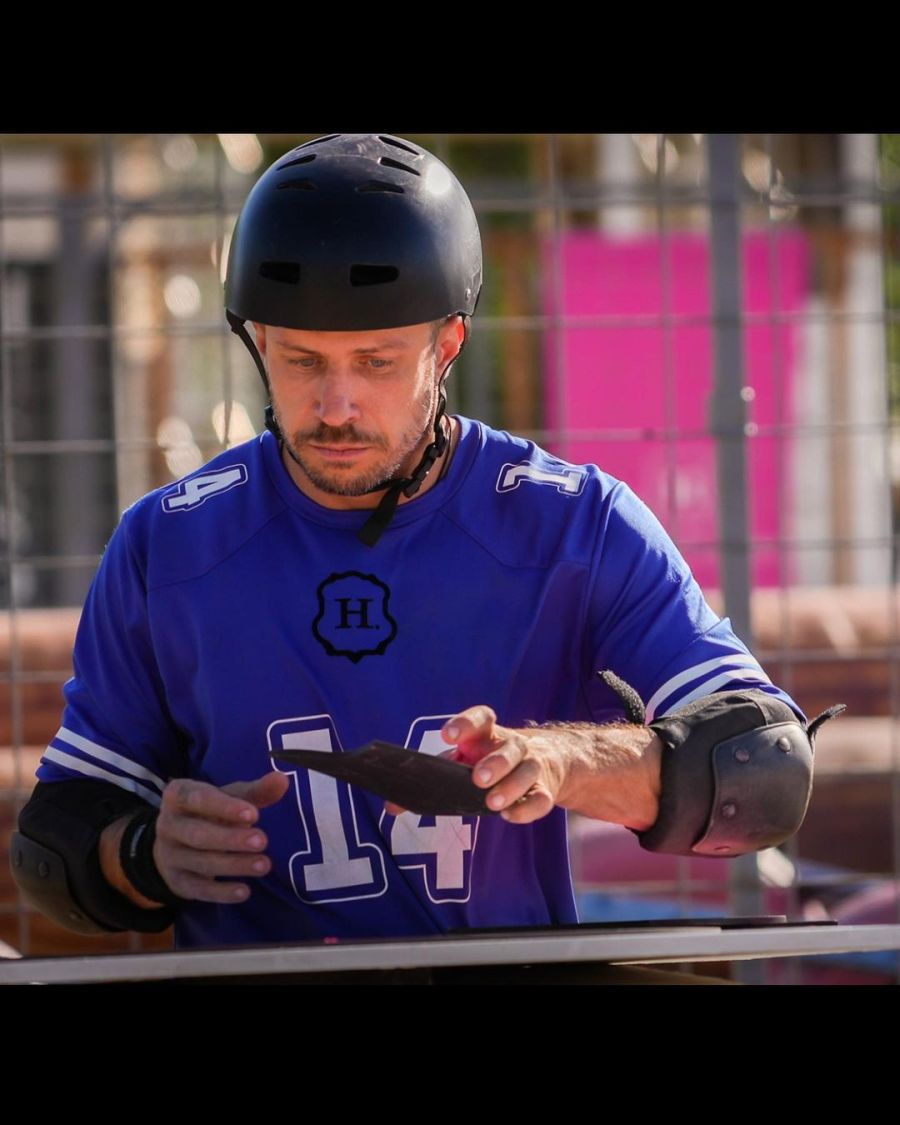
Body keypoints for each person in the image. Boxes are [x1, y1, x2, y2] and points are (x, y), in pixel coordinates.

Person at [11, 134, 836, 948]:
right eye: (302, 361)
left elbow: (763, 772)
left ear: (447, 345)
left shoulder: (574, 525)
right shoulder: (169, 544)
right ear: (258, 341)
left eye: (375, 362)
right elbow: (54, 844)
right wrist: (142, 853)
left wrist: (559, 760)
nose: (335, 405)